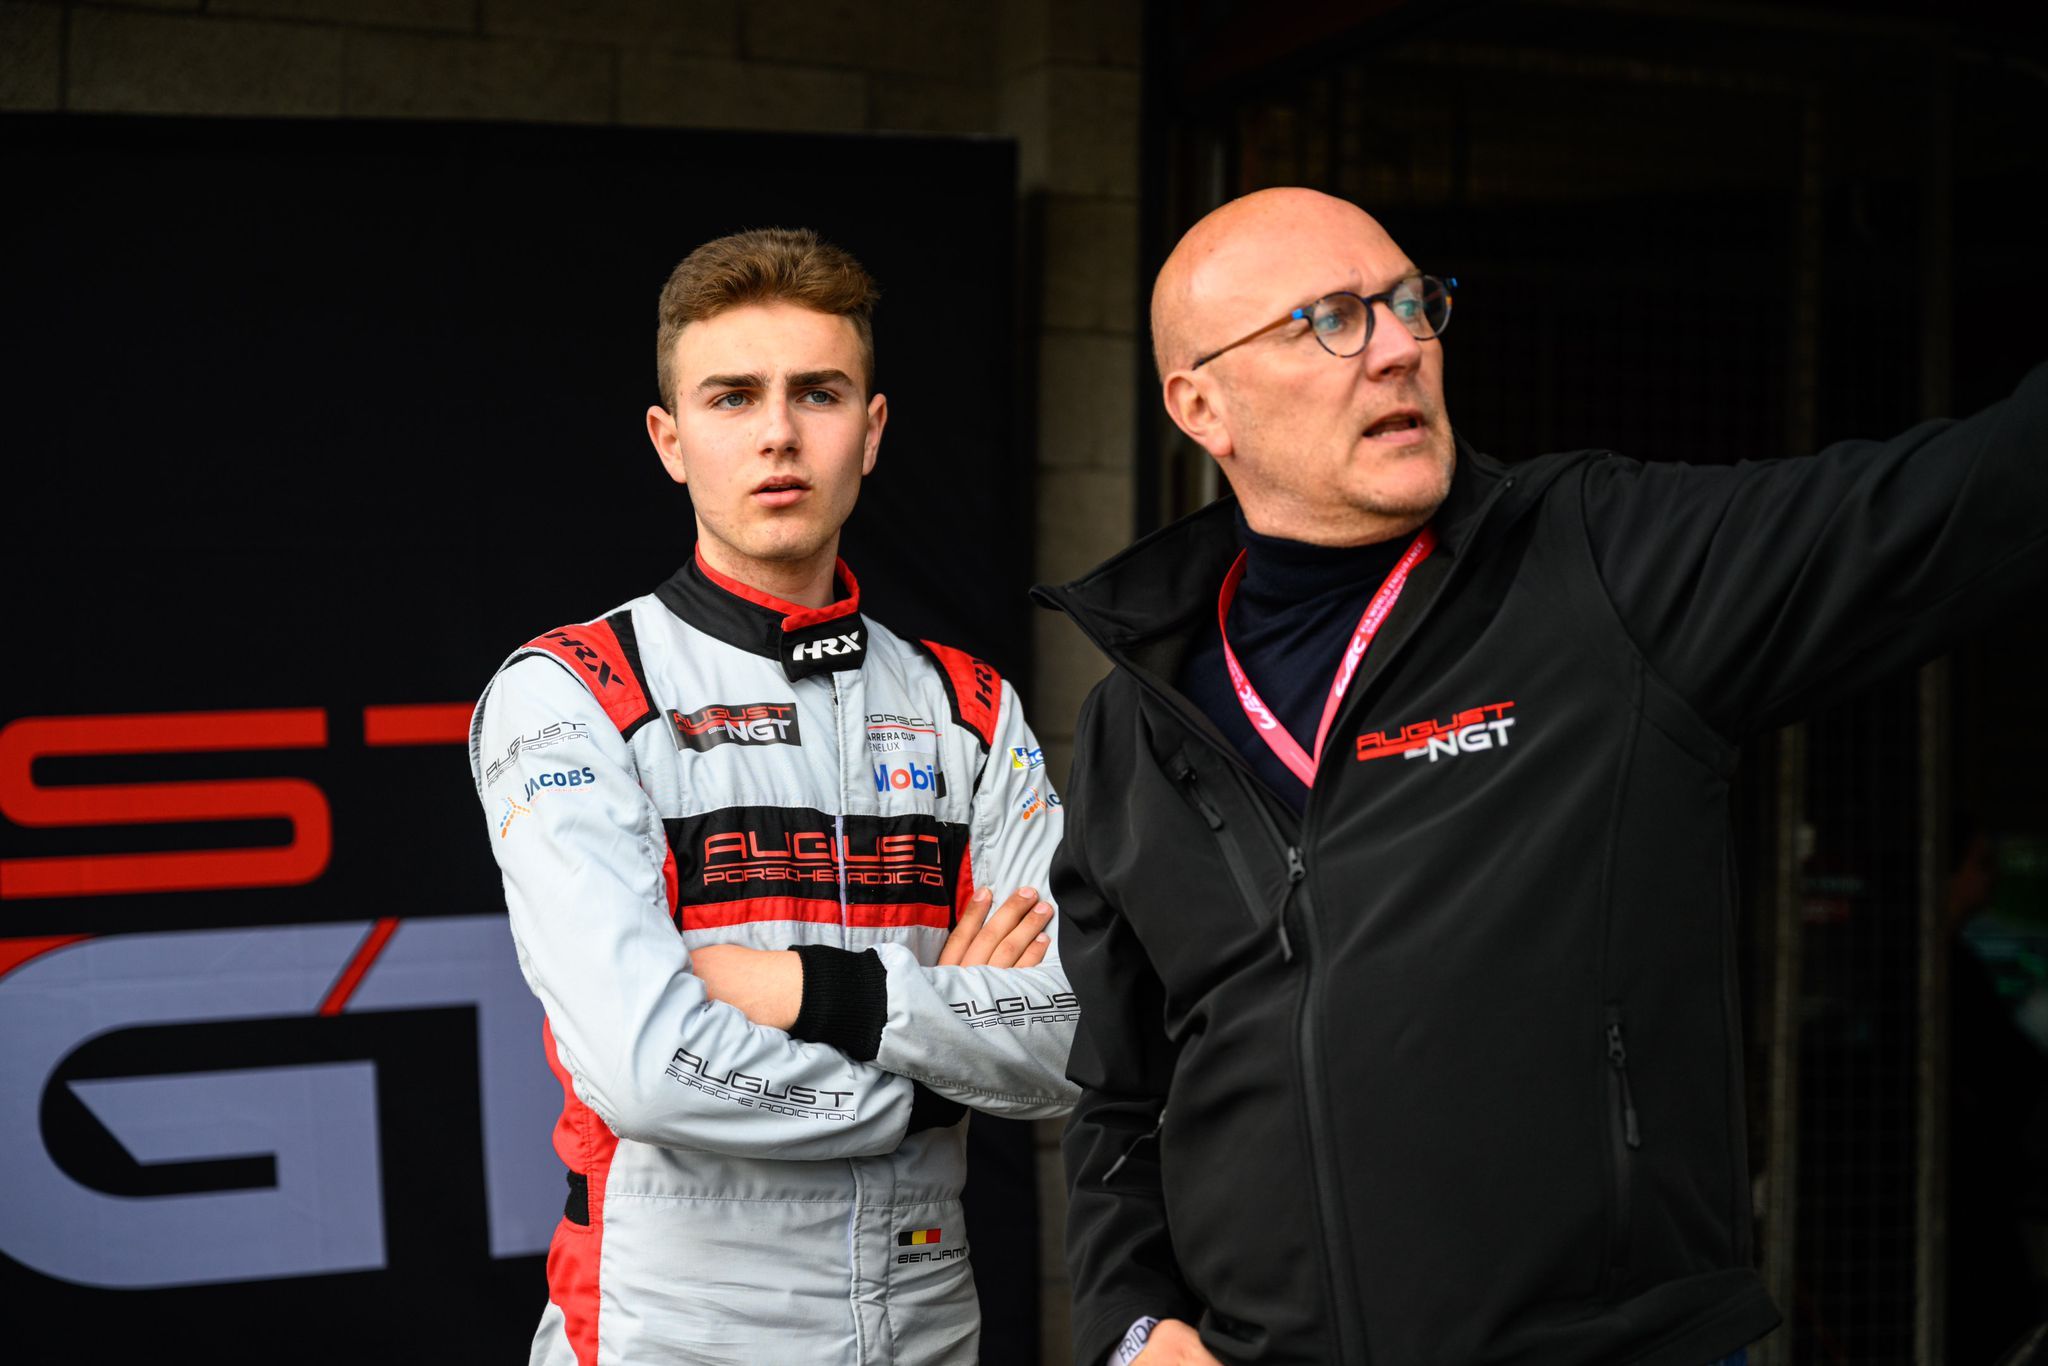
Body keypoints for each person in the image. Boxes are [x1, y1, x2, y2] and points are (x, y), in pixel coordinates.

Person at [1037, 186, 2046, 1365]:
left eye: (1409, 303)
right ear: (1199, 404)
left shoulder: (1596, 568)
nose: (1400, 347)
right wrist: (1131, 1326)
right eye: (1330, 320)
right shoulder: (1137, 719)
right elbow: (1119, 1097)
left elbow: (1964, 499)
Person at [469, 227, 1079, 1366]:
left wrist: (810, 991)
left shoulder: (969, 707)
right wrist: (935, 1079)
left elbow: (1069, 1037)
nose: (778, 434)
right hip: (667, 1332)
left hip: (925, 1326)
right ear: (670, 440)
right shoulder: (573, 692)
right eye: (732, 396)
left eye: (819, 393)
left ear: (872, 431)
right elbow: (647, 1069)